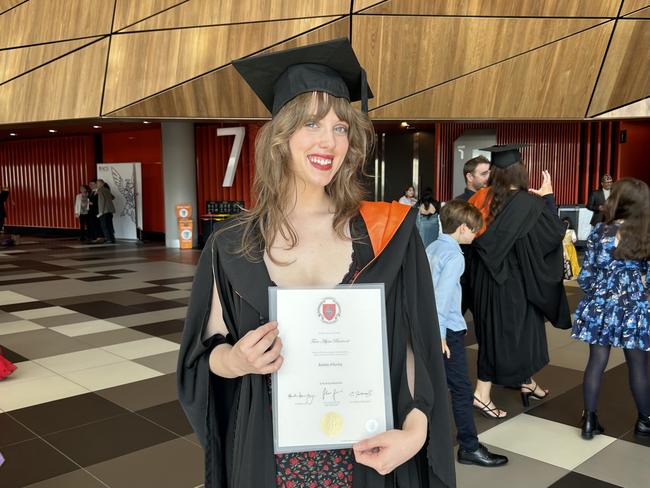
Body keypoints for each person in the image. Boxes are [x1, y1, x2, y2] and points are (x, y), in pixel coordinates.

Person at [177, 39, 455, 488]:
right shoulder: (231, 244)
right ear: (281, 136)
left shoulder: (388, 232)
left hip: (367, 456)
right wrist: (238, 361)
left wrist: (416, 431)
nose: (330, 141)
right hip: (270, 456)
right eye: (312, 123)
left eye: (341, 127)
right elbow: (207, 354)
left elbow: (412, 345)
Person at [467, 144, 571, 419]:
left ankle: (526, 381)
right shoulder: (529, 203)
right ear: (520, 171)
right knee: (514, 333)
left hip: (483, 281)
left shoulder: (480, 198)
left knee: (495, 333)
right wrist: (548, 198)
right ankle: (481, 394)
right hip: (513, 284)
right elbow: (552, 235)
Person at [426, 200, 508, 467]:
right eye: (474, 230)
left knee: (429, 387)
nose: (476, 235)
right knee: (461, 389)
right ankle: (469, 447)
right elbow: (442, 298)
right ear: (462, 228)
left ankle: (427, 445)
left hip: (430, 328)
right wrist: (440, 335)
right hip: (447, 332)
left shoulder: (432, 248)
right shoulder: (454, 257)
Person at [572, 178, 650, 440]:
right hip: (632, 305)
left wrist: (597, 293)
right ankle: (645, 421)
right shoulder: (645, 234)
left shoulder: (598, 232)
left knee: (596, 362)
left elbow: (586, 275)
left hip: (601, 302)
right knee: (638, 365)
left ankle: (589, 420)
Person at [96, 179, 116, 243]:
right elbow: (113, 197)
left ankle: (108, 239)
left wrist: (101, 212)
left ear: (101, 184)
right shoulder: (107, 189)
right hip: (110, 210)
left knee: (104, 225)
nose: (97, 185)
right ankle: (112, 238)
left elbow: (101, 201)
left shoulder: (100, 190)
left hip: (104, 210)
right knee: (110, 224)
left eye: (97, 183)